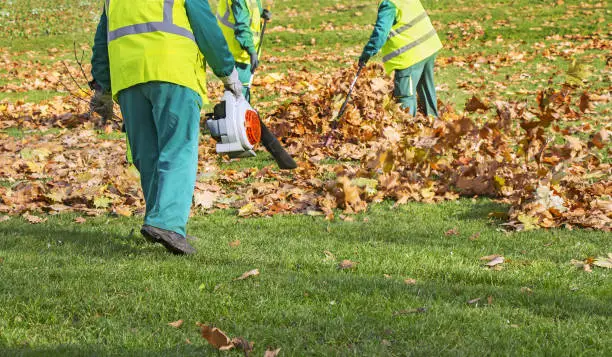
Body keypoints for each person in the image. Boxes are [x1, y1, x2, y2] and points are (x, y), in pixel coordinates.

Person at [89, 0, 244, 255]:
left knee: (147, 153)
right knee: (178, 148)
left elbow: (102, 38)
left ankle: (157, 220)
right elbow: (205, 26)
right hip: (173, 70)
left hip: (129, 77)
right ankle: (167, 224)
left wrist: (102, 87)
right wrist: (227, 71)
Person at [359, 0, 442, 117]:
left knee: (405, 95)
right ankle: (435, 122)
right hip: (428, 47)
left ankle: (407, 128)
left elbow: (380, 34)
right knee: (426, 88)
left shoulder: (388, 5)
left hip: (409, 56)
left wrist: (367, 54)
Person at [216, 0, 271, 102]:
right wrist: (251, 50)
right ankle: (238, 117)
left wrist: (260, 12)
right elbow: (242, 26)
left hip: (239, 51)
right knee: (239, 94)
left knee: (237, 92)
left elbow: (248, 10)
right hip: (238, 53)